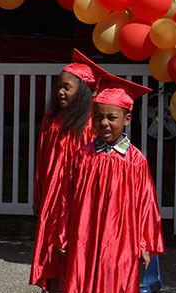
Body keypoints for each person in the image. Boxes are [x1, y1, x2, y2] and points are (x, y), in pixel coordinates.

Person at [58, 73, 163, 292]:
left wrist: (144, 244)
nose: (104, 123)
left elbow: (147, 205)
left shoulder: (135, 161)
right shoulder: (83, 156)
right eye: (98, 117)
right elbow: (67, 198)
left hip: (122, 240)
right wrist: (64, 233)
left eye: (111, 118)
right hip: (85, 236)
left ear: (127, 119)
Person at [30, 49, 104, 292]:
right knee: (52, 261)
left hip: (77, 201)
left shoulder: (91, 125)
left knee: (75, 260)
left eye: (67, 87)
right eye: (58, 87)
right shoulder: (51, 121)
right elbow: (42, 162)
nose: (60, 92)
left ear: (82, 92)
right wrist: (40, 196)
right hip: (53, 201)